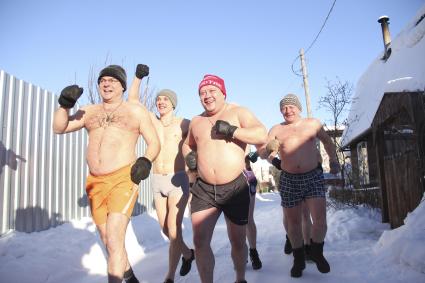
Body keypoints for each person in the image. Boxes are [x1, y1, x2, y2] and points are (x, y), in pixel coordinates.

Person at [52, 65, 160, 283]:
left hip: (123, 178)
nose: (106, 84)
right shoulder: (90, 111)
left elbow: (154, 142)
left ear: (122, 85)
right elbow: (59, 128)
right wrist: (64, 105)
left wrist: (145, 161)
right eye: (103, 80)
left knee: (113, 237)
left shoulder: (135, 111)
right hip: (94, 182)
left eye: (112, 80)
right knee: (108, 240)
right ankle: (129, 277)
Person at [183, 74, 267, 283]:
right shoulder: (197, 120)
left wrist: (232, 130)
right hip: (203, 189)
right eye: (202, 93)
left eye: (212, 91)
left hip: (235, 188)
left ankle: (240, 278)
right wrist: (189, 157)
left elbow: (261, 134)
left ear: (223, 92)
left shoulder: (238, 112)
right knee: (200, 241)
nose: (207, 96)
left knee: (238, 241)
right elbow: (187, 144)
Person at [260, 93, 340, 278]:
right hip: (289, 179)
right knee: (293, 223)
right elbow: (264, 153)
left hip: (313, 176)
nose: (288, 110)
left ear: (299, 108)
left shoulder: (312, 124)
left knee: (319, 220)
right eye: (284, 108)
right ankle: (298, 259)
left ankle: (317, 252)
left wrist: (334, 161)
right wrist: (270, 152)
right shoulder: (276, 129)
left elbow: (328, 142)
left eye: (291, 106)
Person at [128, 64, 195, 283]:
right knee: (165, 229)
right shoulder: (153, 122)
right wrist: (138, 78)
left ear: (172, 103)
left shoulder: (184, 123)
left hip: (178, 179)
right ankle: (187, 253)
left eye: (165, 99)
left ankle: (169, 277)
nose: (160, 102)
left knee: (174, 229)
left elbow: (202, 135)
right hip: (157, 181)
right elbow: (134, 102)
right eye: (159, 99)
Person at [243, 154, 262, 270]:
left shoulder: (241, 135)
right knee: (236, 222)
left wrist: (255, 153)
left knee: (248, 219)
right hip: (227, 180)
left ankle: (253, 252)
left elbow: (261, 144)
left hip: (247, 177)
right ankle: (241, 251)